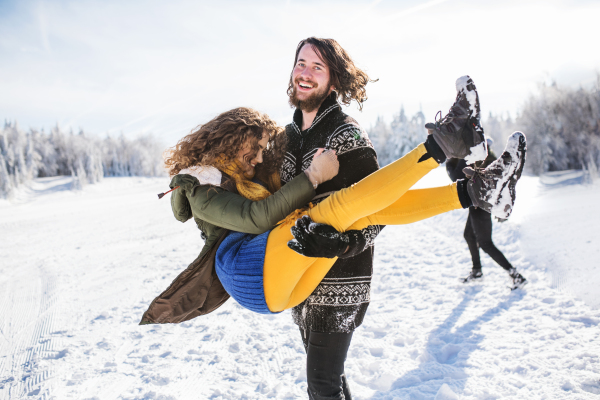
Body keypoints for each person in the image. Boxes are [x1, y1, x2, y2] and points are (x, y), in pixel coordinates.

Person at [141, 75, 526, 399]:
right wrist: (313, 177)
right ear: (231, 139)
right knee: (334, 210)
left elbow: (335, 194)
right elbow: (256, 217)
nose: (259, 159)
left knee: (355, 214)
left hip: (277, 279)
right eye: (254, 150)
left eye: (261, 151)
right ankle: (442, 145)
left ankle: (477, 193)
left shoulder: (252, 168)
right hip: (245, 268)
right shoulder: (198, 185)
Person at [446, 138, 527, 289]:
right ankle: (477, 271)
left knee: (485, 243)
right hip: (477, 205)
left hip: (481, 207)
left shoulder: (482, 160)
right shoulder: (488, 159)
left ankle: (516, 275)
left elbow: (457, 177)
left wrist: (451, 160)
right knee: (469, 235)